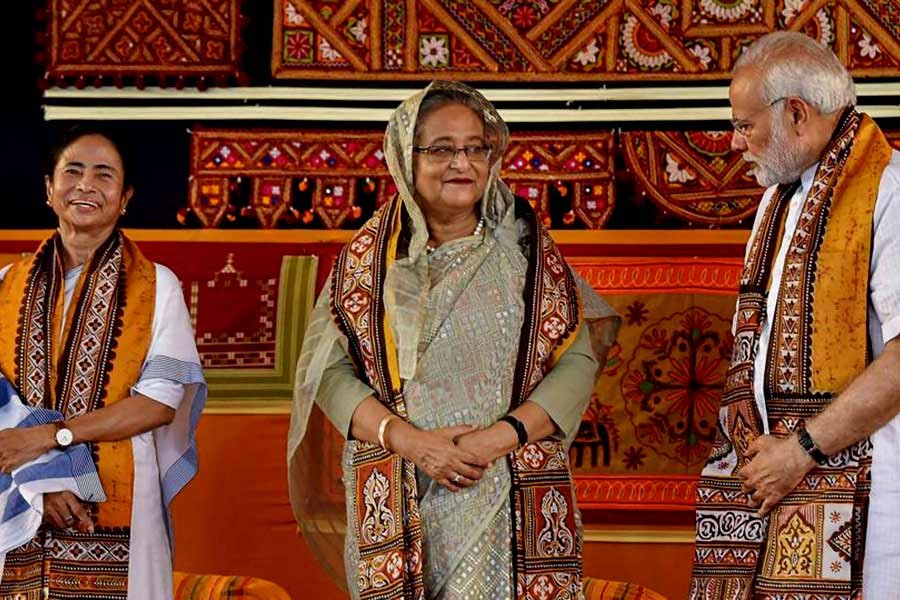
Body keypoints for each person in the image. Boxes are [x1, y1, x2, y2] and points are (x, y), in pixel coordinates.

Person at [288, 81, 620, 599]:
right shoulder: (367, 263)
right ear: (405, 158)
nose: (460, 163)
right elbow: (328, 376)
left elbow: (576, 362)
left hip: (506, 491)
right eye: (441, 148)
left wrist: (499, 438)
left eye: (474, 148)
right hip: (401, 492)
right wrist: (412, 442)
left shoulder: (527, 254)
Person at [691, 31, 900, 598]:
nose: (736, 143)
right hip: (776, 487)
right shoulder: (780, 196)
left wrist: (804, 447)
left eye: (744, 124)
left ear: (798, 114)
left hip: (869, 498)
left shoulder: (888, 189)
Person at [0, 125, 206, 599]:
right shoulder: (7, 285)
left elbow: (157, 404)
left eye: (104, 175)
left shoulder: (157, 286)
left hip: (120, 498)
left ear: (125, 196)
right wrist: (43, 481)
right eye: (72, 171)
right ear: (49, 189)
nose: (86, 185)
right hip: (20, 495)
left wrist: (52, 437)